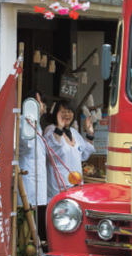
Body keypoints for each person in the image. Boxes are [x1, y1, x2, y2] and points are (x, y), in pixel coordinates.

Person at [44, 99, 95, 201]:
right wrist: (59, 128)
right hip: (58, 188)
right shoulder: (50, 129)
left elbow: (84, 154)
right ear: (56, 114)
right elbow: (51, 153)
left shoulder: (74, 132)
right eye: (63, 112)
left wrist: (90, 134)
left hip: (76, 187)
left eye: (69, 111)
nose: (67, 114)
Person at [18, 89, 48, 240]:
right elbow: (24, 146)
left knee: (34, 222)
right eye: (42, 104)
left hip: (36, 183)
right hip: (27, 182)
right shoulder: (24, 121)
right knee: (25, 226)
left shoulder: (37, 125)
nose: (43, 108)